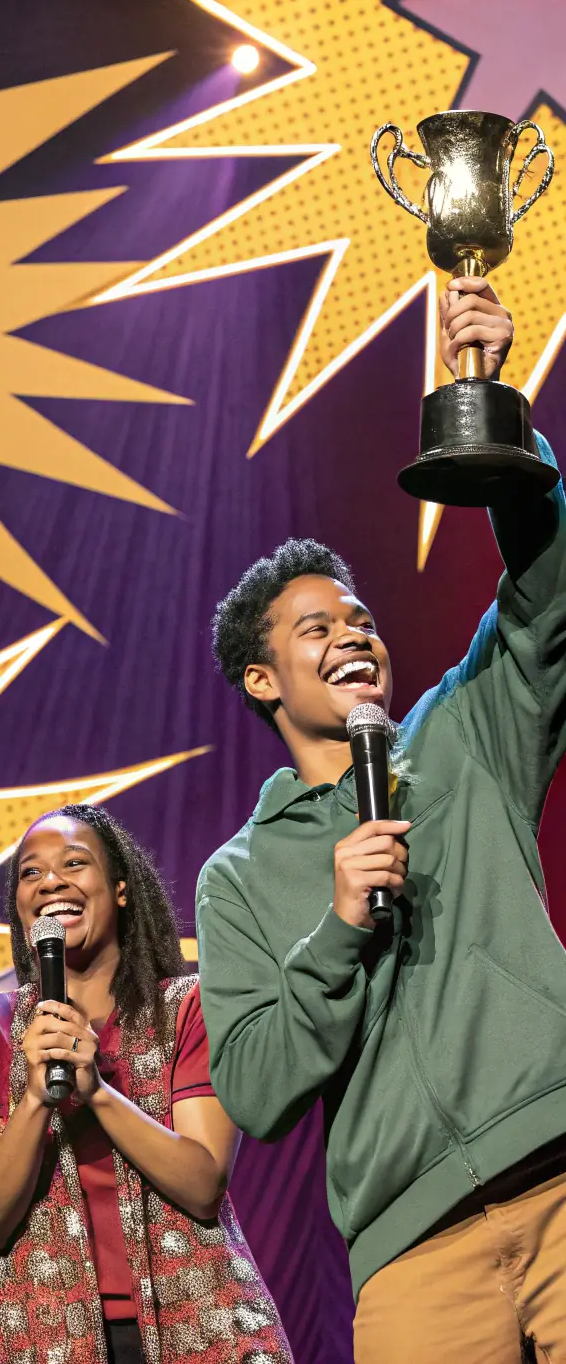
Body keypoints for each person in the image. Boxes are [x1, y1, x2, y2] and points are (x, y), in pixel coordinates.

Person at [198, 277, 566, 1362]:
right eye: (315, 628)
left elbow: (547, 595)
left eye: (357, 616)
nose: (351, 633)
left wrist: (494, 411)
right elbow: (257, 1088)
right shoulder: (239, 874)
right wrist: (339, 926)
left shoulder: (464, 732)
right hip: (412, 1252)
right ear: (264, 681)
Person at [0, 803, 292, 1364]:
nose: (51, 881)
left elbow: (202, 1183)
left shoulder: (187, 1009)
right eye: (30, 872)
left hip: (209, 1331)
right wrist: (34, 1100)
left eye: (74, 863)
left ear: (119, 889)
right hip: (55, 1343)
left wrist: (95, 1091)